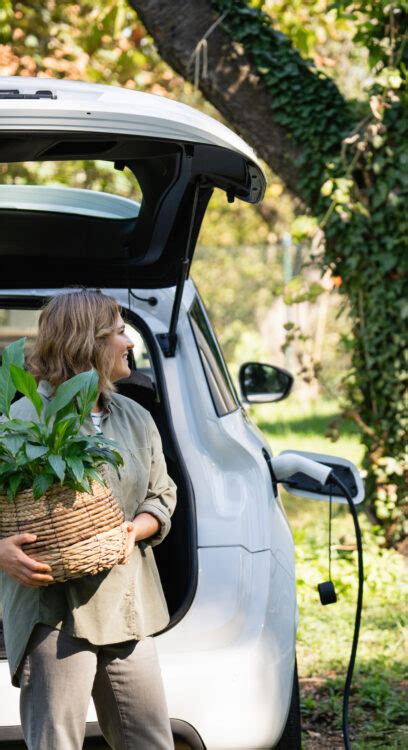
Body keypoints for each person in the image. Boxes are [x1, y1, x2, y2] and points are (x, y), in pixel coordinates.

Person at [0, 290, 177, 750]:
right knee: (57, 742)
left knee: (151, 741)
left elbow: (163, 494)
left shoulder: (135, 417)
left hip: (127, 606)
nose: (128, 342)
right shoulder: (22, 423)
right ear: (88, 342)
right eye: (120, 332)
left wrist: (134, 530)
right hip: (54, 616)